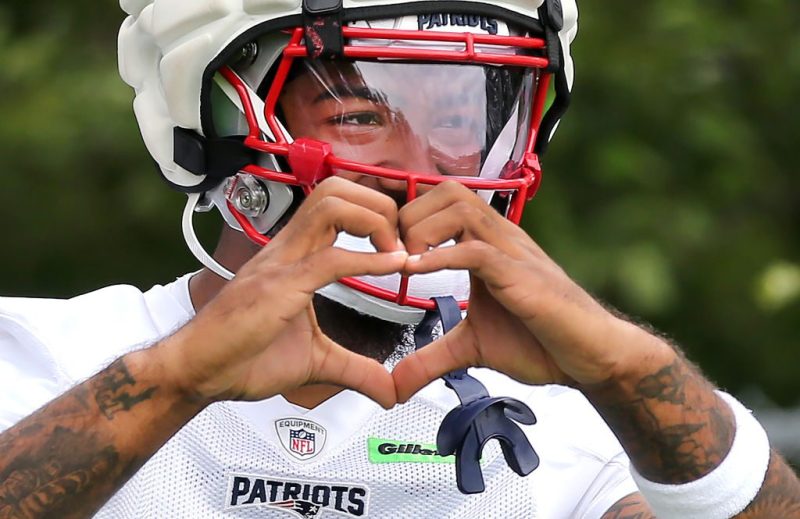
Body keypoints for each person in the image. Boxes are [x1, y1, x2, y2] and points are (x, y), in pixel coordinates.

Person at [0, 0, 798, 517]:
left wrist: (626, 371)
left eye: (460, 118)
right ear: (218, 123)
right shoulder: (38, 359)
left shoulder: (565, 427)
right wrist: (174, 380)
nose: (429, 163)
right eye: (360, 114)